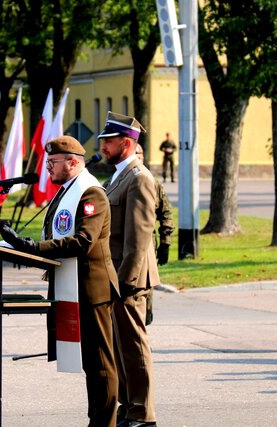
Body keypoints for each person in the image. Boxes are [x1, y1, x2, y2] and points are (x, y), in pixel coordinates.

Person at [0, 135, 120, 427]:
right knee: (90, 362)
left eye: (53, 162)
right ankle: (97, 420)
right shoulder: (66, 191)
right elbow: (55, 236)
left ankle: (105, 423)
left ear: (73, 163)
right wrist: (17, 247)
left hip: (92, 288)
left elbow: (83, 241)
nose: (48, 168)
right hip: (73, 284)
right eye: (47, 161)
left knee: (100, 363)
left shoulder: (91, 194)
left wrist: (30, 247)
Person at [99, 111, 158, 427]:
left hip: (129, 279)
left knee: (134, 347)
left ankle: (142, 413)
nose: (103, 147)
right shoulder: (118, 176)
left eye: (108, 141)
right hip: (116, 276)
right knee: (120, 348)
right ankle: (128, 406)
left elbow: (138, 240)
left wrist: (122, 282)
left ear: (126, 142)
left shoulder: (139, 178)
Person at [135, 143, 174, 326]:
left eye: (138, 155)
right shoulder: (114, 181)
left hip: (147, 247)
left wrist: (166, 242)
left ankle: (142, 334)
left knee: (145, 294)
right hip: (119, 248)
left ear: (142, 157)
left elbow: (165, 213)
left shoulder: (152, 183)